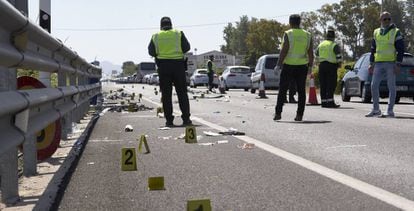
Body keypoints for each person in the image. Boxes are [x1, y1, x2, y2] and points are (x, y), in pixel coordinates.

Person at [148, 16, 192, 126]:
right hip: (178, 66)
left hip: (163, 67)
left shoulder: (156, 36)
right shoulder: (178, 33)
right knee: (182, 93)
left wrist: (161, 53)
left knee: (166, 95)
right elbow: (186, 47)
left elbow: (151, 52)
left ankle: (169, 120)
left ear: (161, 25)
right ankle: (186, 119)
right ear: (171, 24)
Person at [274, 14, 314, 121]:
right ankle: (299, 115)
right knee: (301, 91)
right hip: (302, 67)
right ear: (300, 22)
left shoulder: (288, 34)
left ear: (290, 22)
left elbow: (284, 50)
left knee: (282, 90)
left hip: (288, 66)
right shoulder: (307, 35)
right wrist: (310, 66)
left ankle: (278, 113)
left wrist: (278, 64)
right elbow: (310, 52)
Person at [365, 12, 404, 118]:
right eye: (384, 19)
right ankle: (376, 109)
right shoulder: (376, 32)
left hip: (391, 63)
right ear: (380, 20)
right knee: (374, 85)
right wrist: (371, 63)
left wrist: (398, 64)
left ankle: (390, 111)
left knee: (391, 87)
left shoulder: (396, 32)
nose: (387, 21)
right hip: (378, 63)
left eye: (389, 19)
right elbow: (373, 49)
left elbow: (401, 49)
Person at [316, 27, 342, 108]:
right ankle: (330, 102)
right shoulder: (334, 45)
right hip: (331, 66)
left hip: (322, 66)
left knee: (323, 84)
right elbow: (338, 56)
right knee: (331, 84)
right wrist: (339, 63)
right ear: (333, 37)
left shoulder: (321, 44)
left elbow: (316, 54)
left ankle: (323, 102)